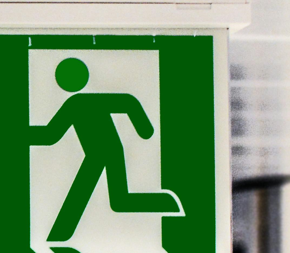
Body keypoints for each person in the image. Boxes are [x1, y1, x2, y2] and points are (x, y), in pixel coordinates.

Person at [30, 57, 180, 242]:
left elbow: (50, 135)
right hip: (101, 153)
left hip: (105, 152)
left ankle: (59, 236)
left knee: (112, 198)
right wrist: (144, 129)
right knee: (120, 200)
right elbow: (51, 135)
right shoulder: (76, 104)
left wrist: (145, 129)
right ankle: (166, 203)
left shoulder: (76, 104)